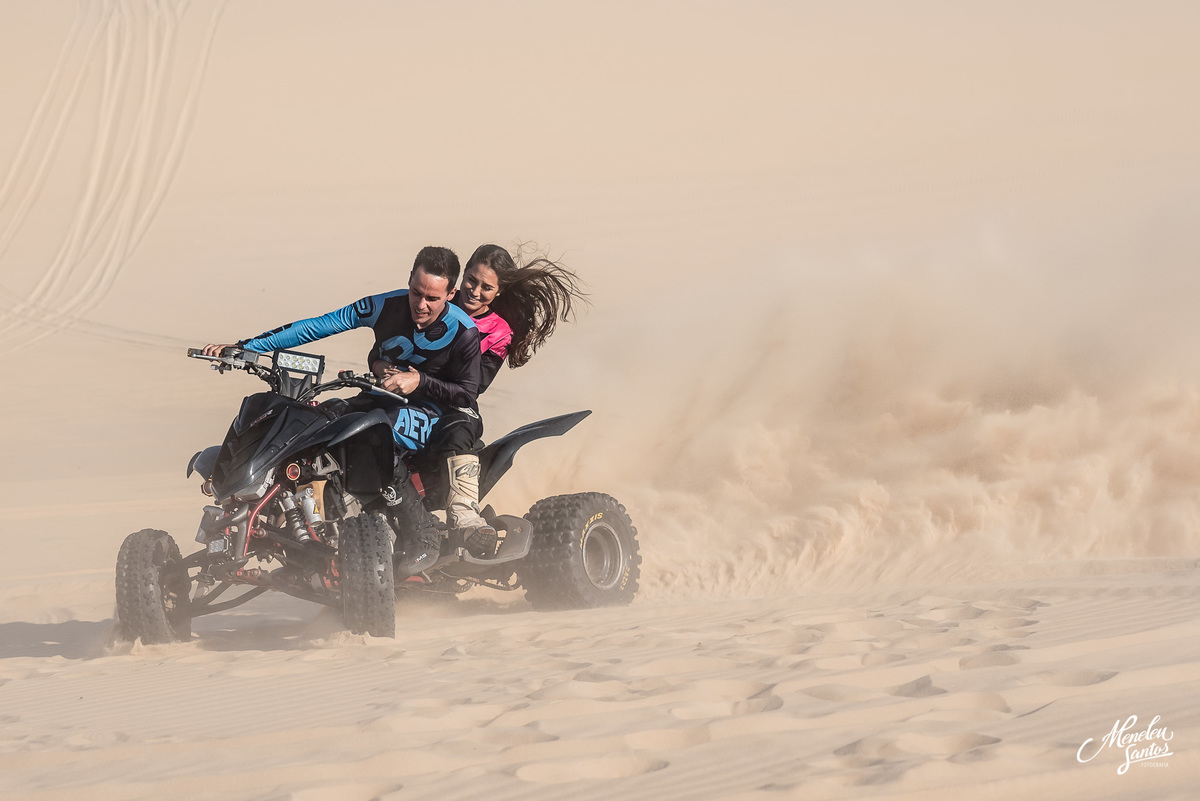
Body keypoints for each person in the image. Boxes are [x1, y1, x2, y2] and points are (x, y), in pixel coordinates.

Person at [202, 246, 482, 576]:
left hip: (435, 411)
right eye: (416, 292)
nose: (421, 305)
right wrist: (247, 346)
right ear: (408, 280)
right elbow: (319, 325)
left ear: (451, 293)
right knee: (324, 420)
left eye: (433, 298)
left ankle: (422, 534)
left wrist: (418, 380)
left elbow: (467, 393)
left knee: (377, 431)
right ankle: (309, 525)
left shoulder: (464, 331)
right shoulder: (383, 306)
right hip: (382, 397)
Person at [412, 244, 587, 530]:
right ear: (462, 274)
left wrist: (424, 375)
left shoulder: (498, 331)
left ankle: (465, 516)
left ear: (499, 292)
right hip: (406, 395)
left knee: (459, 428)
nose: (475, 291)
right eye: (471, 280)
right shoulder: (434, 299)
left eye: (486, 287)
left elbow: (476, 384)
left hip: (455, 406)